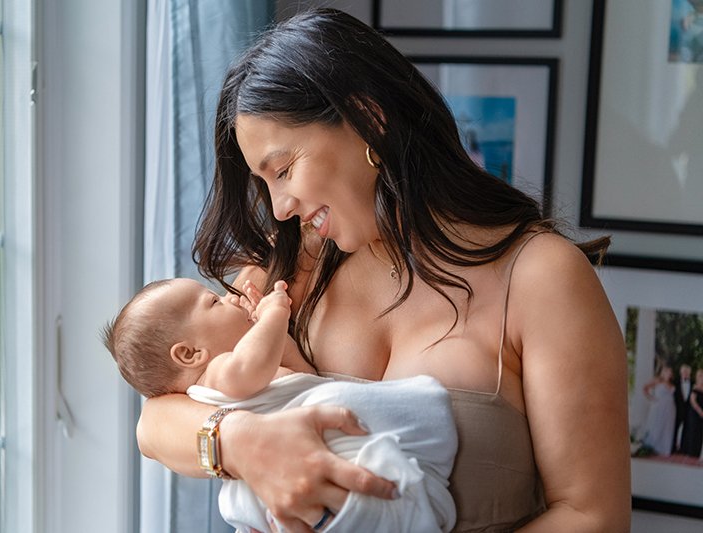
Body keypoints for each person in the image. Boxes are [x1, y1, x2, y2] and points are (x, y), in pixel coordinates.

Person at [136, 8, 631, 532]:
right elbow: (156, 420)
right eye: (265, 184)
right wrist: (237, 441)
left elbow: (592, 516)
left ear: (369, 121)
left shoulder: (541, 276)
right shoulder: (288, 274)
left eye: (283, 170)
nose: (279, 207)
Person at [103, 277, 458, 532]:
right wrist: (274, 315)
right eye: (213, 301)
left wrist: (279, 341)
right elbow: (247, 369)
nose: (230, 297)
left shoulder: (242, 364)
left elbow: (303, 377)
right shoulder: (217, 373)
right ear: (190, 353)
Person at [638, 365, 677, 456]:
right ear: (663, 373)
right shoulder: (657, 381)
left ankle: (664, 449)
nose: (669, 374)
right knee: (656, 425)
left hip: (670, 408)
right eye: (667, 372)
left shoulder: (672, 384)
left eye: (670, 372)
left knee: (667, 427)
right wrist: (651, 398)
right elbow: (645, 388)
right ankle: (653, 447)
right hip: (659, 407)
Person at [679, 368, 703, 458]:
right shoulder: (695, 387)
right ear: (697, 377)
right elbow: (693, 401)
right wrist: (699, 411)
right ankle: (690, 451)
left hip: (701, 414)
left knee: (700, 432)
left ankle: (697, 452)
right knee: (693, 430)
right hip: (694, 413)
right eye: (700, 376)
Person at [673, 363, 693, 453]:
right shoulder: (675, 383)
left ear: (690, 373)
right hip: (676, 410)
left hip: (688, 412)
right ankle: (673, 448)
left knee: (686, 430)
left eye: (687, 372)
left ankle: (684, 449)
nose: (685, 373)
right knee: (674, 429)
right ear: (681, 372)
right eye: (684, 371)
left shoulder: (693, 384)